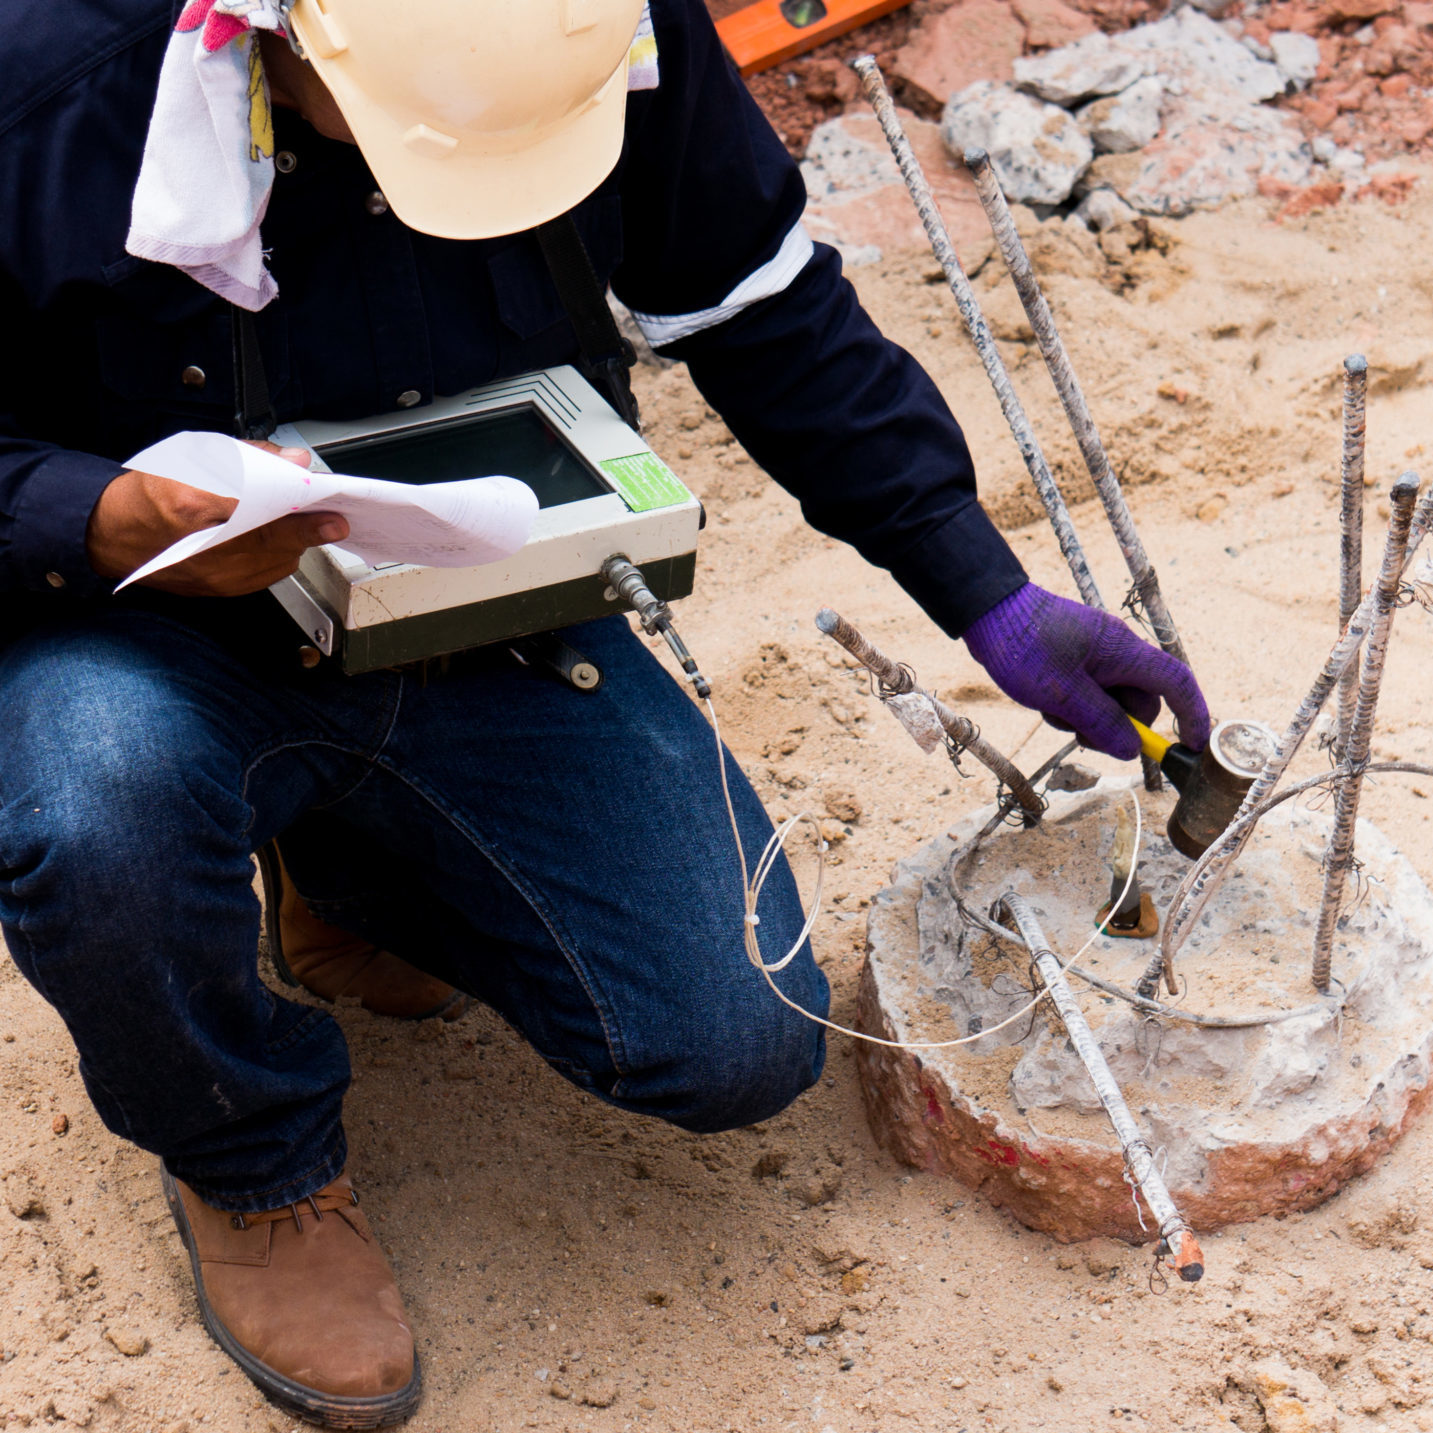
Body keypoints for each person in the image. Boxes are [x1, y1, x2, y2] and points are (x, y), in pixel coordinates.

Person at [0, 0, 1209, 1424]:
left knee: (732, 1041)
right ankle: (251, 1161)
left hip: (480, 605)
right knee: (99, 809)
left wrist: (976, 583)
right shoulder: (43, 91)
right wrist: (98, 512)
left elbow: (761, 309)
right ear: (281, 34)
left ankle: (349, 871)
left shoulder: (600, 23)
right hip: (150, 630)